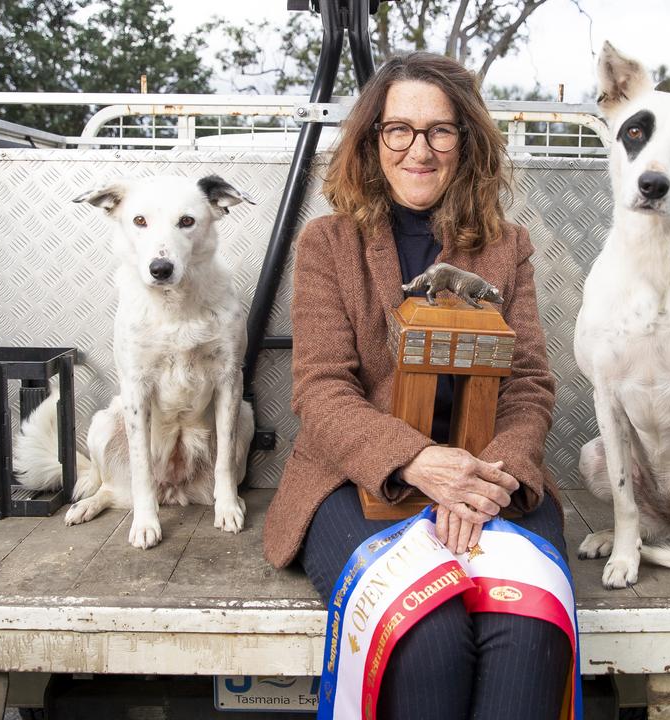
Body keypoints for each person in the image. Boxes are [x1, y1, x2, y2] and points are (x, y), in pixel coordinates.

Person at [262, 52, 571, 719]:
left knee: (526, 631)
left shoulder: (505, 246)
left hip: (488, 478)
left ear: (467, 142)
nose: (419, 150)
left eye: (440, 130)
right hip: (356, 481)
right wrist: (418, 462)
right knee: (426, 637)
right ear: (374, 141)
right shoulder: (328, 242)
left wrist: (485, 479)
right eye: (398, 129)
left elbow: (528, 388)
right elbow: (321, 391)